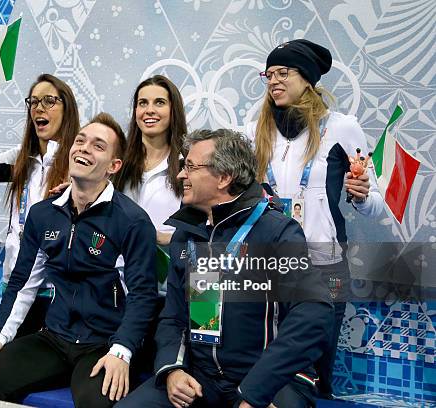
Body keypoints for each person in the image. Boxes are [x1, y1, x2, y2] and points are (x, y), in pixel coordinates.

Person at [117, 129, 333, 408]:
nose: (181, 175)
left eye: (191, 167)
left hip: (271, 380)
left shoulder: (277, 232)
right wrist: (173, 370)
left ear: (224, 177)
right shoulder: (188, 234)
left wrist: (256, 393)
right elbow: (173, 318)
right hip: (202, 377)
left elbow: (314, 313)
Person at [0, 113, 159, 407]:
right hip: (55, 336)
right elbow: (23, 283)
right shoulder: (44, 213)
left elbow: (143, 295)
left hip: (104, 343)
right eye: (80, 141)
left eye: (97, 146)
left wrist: (122, 351)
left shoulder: (132, 221)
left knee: (96, 402)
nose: (83, 148)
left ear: (114, 166)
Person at [245, 39, 384, 398]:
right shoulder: (254, 130)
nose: (273, 80)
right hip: (269, 265)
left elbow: (376, 203)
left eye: (283, 72)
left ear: (306, 78)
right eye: (269, 74)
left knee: (315, 373)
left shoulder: (341, 127)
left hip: (324, 267)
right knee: (266, 370)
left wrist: (364, 194)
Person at [0, 74, 80, 335]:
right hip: (17, 283)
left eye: (49, 101)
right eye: (34, 101)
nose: (39, 107)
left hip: (59, 289)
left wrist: (75, 190)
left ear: (67, 108)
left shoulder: (80, 161)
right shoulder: (22, 159)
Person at [113, 75, 186, 247]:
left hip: (165, 267)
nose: (149, 110)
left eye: (159, 102)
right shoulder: (116, 160)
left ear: (173, 110)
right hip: (115, 267)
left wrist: (164, 238)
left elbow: (203, 230)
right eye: (143, 103)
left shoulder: (189, 164)